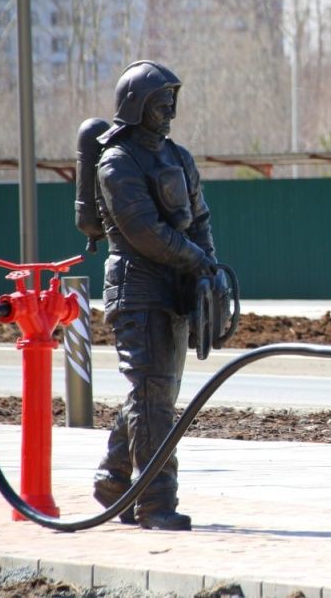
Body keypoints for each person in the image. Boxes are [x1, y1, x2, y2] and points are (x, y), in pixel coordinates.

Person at [91, 61, 217, 531]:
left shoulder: (179, 157)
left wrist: (208, 268)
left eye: (171, 104)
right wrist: (196, 260)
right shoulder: (116, 162)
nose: (169, 113)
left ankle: (112, 482)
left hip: (176, 289)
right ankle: (155, 502)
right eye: (160, 104)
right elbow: (143, 231)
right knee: (153, 397)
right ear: (137, 107)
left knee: (153, 395)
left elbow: (200, 218)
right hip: (138, 289)